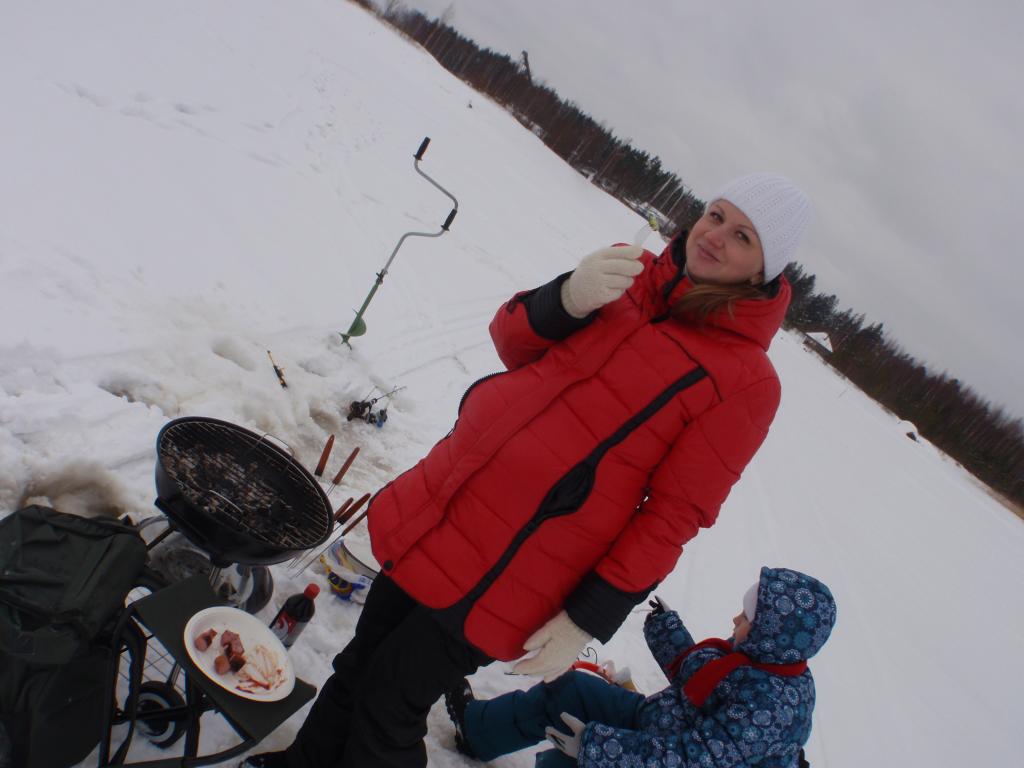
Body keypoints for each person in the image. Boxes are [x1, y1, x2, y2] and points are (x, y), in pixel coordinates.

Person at [240, 174, 812, 768]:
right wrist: (566, 297)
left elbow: (673, 517)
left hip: (515, 567)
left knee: (391, 701)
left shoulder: (746, 381)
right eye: (716, 215)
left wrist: (587, 618)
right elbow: (511, 342)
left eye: (743, 236)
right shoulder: (628, 272)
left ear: (763, 270)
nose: (716, 236)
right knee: (361, 664)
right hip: (446, 504)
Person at [447, 566, 837, 767]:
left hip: (673, 755)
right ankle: (478, 731)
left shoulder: (772, 707)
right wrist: (666, 628)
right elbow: (696, 681)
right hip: (659, 725)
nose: (736, 619)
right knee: (571, 692)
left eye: (748, 617)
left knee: (570, 760)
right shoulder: (761, 661)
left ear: (771, 632)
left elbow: (693, 760)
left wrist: (597, 748)